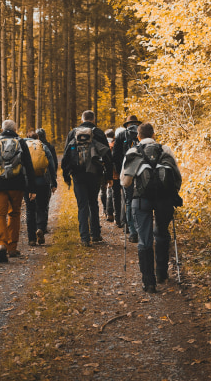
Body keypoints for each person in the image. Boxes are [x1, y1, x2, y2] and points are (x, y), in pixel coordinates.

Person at [120, 122, 182, 293]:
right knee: (162, 234)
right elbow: (177, 176)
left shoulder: (132, 152)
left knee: (144, 239)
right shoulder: (165, 150)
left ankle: (149, 282)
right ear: (154, 135)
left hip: (141, 201)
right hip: (164, 200)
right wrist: (172, 194)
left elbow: (125, 181)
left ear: (138, 137)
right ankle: (161, 273)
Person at [0, 120, 36, 262]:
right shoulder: (21, 142)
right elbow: (29, 166)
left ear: (2, 129)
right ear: (15, 129)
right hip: (17, 184)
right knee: (15, 214)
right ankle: (12, 247)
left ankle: (1, 245)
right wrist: (32, 188)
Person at [61, 110, 113, 247]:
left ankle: (84, 238)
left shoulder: (73, 132)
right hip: (94, 173)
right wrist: (109, 176)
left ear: (82, 119)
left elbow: (66, 155)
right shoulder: (99, 133)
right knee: (93, 203)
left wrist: (66, 176)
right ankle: (96, 234)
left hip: (78, 174)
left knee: (82, 205)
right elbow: (107, 155)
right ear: (93, 120)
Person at [25, 130, 57, 246]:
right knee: (42, 206)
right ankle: (40, 228)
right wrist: (54, 182)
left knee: (30, 209)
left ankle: (31, 238)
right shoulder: (42, 146)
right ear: (37, 138)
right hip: (42, 180)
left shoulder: (23, 146)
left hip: (28, 183)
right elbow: (52, 165)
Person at [114, 115, 142, 243]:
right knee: (141, 200)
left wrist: (120, 170)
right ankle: (141, 228)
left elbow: (115, 155)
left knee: (129, 201)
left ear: (127, 124)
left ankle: (132, 232)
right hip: (143, 172)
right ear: (136, 123)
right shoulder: (142, 133)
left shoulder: (121, 135)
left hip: (126, 172)